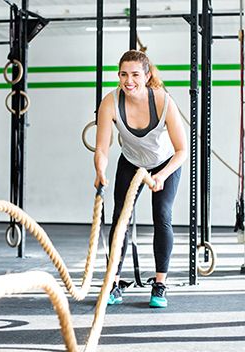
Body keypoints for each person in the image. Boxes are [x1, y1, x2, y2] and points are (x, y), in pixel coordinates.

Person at [94, 50, 187, 308]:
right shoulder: (110, 103)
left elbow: (182, 151)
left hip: (166, 163)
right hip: (131, 162)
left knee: (162, 214)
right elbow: (102, 148)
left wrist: (161, 175)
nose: (129, 80)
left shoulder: (163, 101)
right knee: (120, 219)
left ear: (147, 76)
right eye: (124, 74)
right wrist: (100, 170)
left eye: (135, 74)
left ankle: (160, 284)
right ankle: (113, 281)